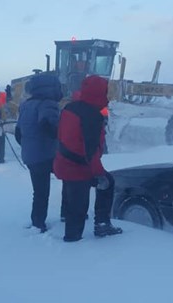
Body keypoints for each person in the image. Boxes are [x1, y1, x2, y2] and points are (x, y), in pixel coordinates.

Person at [54, 75, 122, 242]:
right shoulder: (91, 116)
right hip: (78, 167)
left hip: (63, 162)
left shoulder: (70, 107)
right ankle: (77, 239)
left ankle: (74, 224)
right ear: (99, 93)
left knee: (72, 200)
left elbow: (61, 136)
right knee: (84, 201)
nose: (107, 96)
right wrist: (99, 175)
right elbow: (90, 152)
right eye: (105, 92)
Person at [14, 74, 63, 232]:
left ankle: (37, 222)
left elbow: (18, 133)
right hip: (47, 155)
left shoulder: (26, 105)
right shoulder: (48, 103)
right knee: (71, 180)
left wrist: (29, 146)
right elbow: (49, 126)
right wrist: (62, 138)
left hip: (31, 156)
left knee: (39, 192)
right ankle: (68, 214)